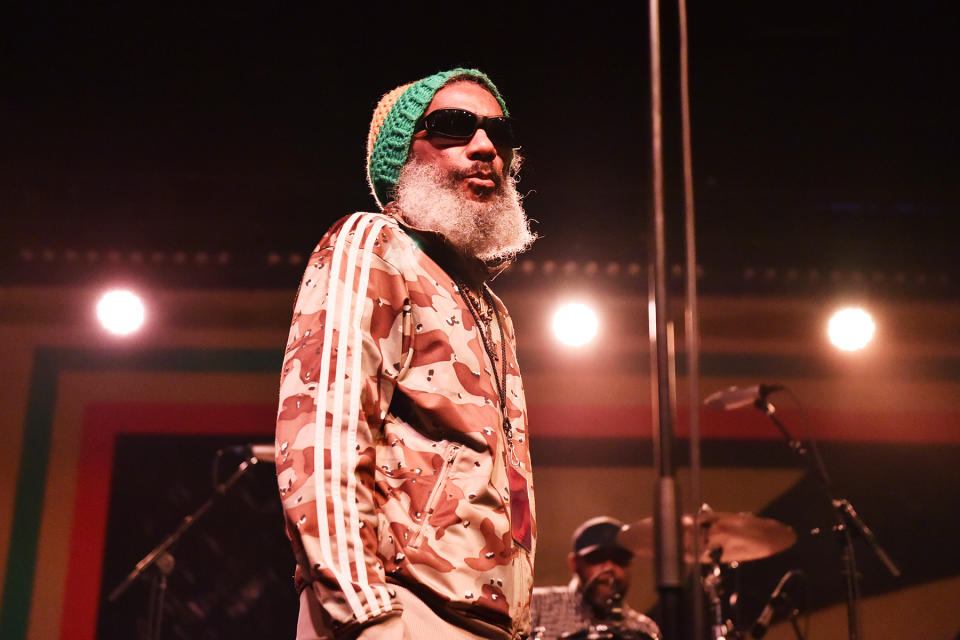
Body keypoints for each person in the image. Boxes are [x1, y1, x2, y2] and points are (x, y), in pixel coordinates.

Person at [275, 68, 538, 640]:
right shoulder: (373, 244)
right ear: (403, 156)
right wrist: (365, 614)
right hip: (398, 610)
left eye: (499, 132)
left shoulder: (491, 308)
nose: (485, 147)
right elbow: (325, 440)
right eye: (453, 127)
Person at [530, 517, 661, 640]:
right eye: (597, 557)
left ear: (630, 565)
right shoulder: (535, 606)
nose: (609, 567)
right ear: (574, 563)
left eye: (619, 559)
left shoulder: (645, 629)